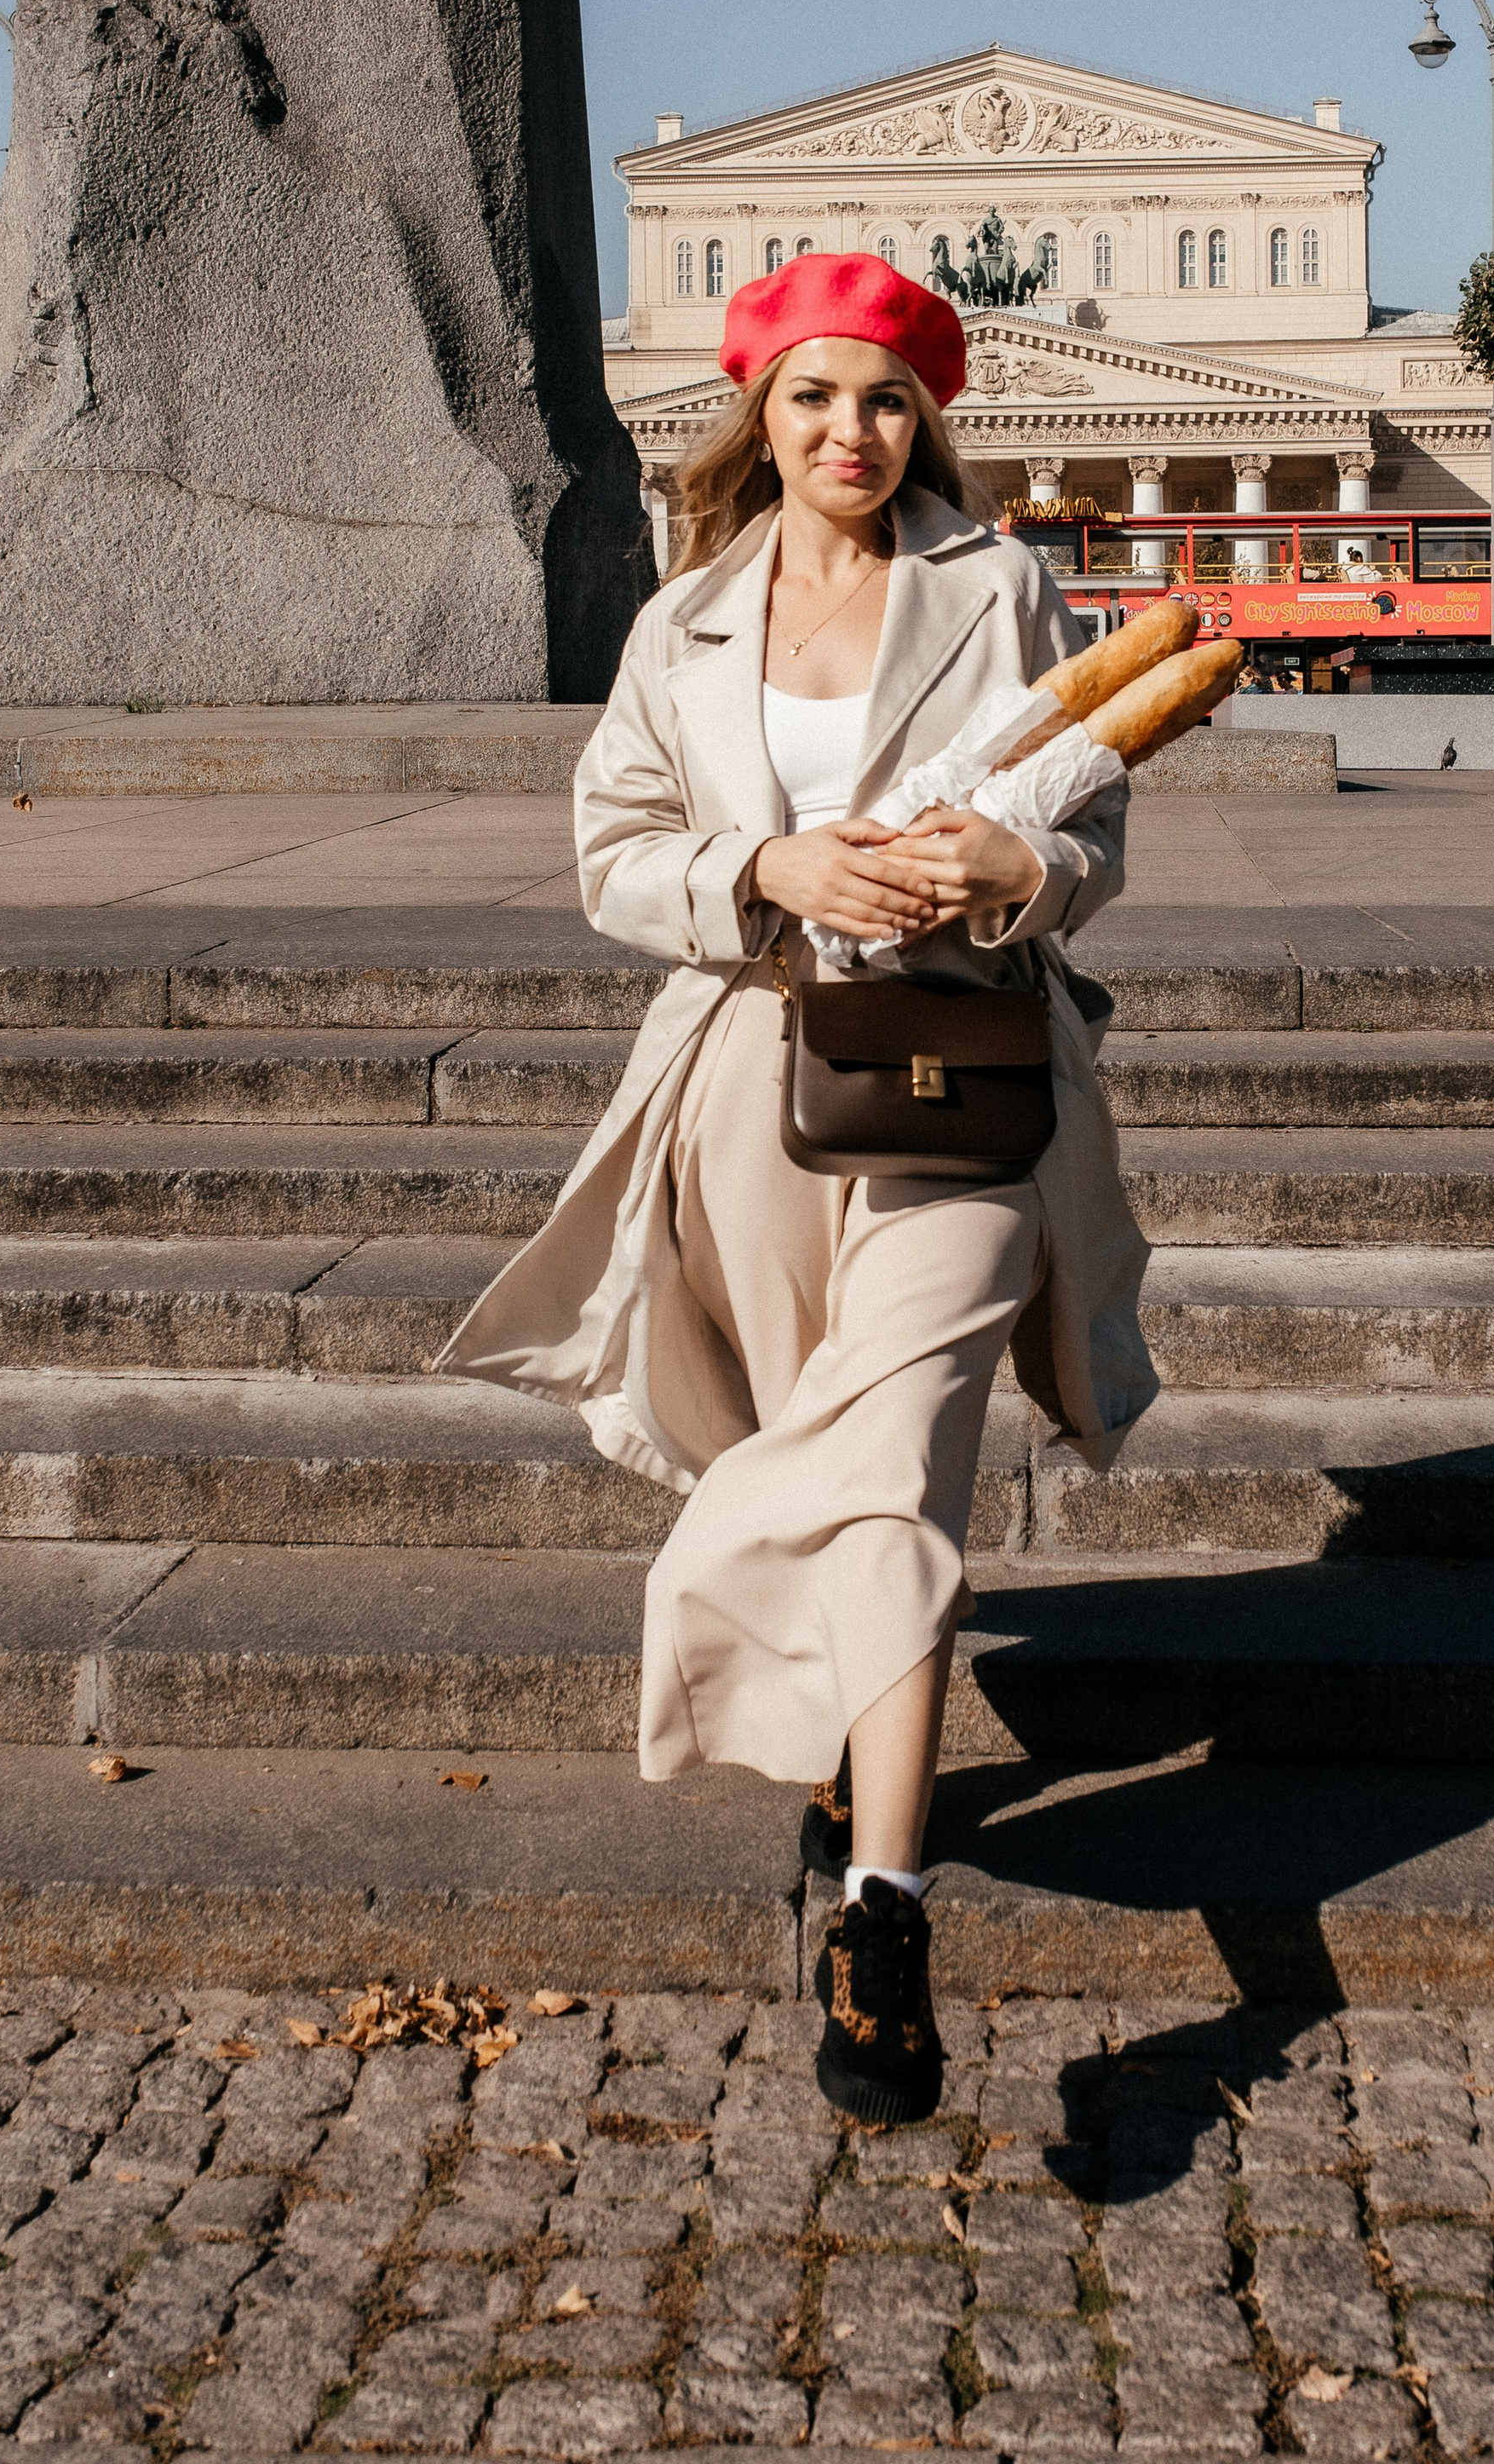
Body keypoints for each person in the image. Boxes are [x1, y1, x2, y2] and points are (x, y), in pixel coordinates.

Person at [440, 253, 1155, 2127]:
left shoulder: (999, 585)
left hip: (969, 1071)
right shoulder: (682, 619)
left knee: (900, 1457)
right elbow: (613, 850)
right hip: (754, 1074)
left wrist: (1014, 868)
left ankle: (883, 1911)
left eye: (888, 399)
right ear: (759, 414)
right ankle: (847, 1738)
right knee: (812, 1451)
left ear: (929, 418)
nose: (853, 432)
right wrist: (769, 868)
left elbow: (1093, 826)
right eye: (816, 397)